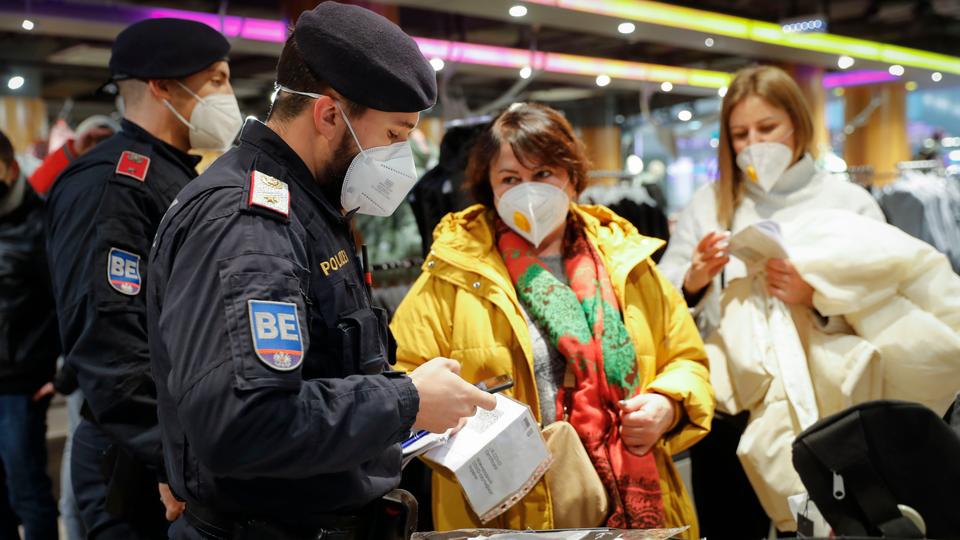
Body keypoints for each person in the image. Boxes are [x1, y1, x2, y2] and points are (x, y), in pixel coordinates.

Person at [146, 4, 496, 539]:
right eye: (394, 135)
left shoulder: (308, 205)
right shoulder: (249, 226)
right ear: (329, 116)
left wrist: (404, 395)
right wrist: (407, 401)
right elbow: (244, 423)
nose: (402, 158)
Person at [390, 103, 715, 536]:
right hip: (504, 512)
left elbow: (687, 359)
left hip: (634, 496)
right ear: (489, 188)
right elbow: (404, 381)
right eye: (510, 179)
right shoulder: (452, 274)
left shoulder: (627, 262)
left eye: (543, 173)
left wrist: (667, 405)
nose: (527, 190)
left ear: (572, 177)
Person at [657, 65, 885, 537]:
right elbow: (663, 300)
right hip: (730, 407)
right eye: (740, 134)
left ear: (797, 124)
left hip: (824, 407)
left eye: (767, 128)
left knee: (816, 527)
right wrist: (695, 280)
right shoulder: (710, 202)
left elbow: (884, 297)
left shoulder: (847, 202)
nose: (754, 144)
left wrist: (816, 295)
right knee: (728, 526)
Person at [45, 18, 241, 539]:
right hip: (137, 464)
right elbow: (109, 342)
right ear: (162, 86)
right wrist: (168, 455)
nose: (228, 94)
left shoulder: (169, 173)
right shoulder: (113, 185)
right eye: (217, 79)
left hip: (179, 447)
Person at [0, 129, 61, 539]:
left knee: (28, 492)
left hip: (20, 387)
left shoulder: (39, 223)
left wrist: (63, 370)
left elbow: (66, 301)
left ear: (9, 168)